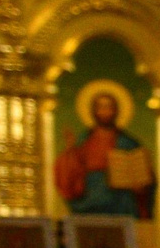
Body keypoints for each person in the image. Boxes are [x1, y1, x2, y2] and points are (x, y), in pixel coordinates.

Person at [54, 86, 153, 219]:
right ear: (93, 111)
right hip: (89, 198)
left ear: (116, 111)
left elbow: (145, 177)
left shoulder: (128, 143)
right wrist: (70, 151)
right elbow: (70, 171)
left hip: (120, 201)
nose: (105, 111)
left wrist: (140, 187)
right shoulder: (84, 140)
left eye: (109, 107)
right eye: (100, 107)